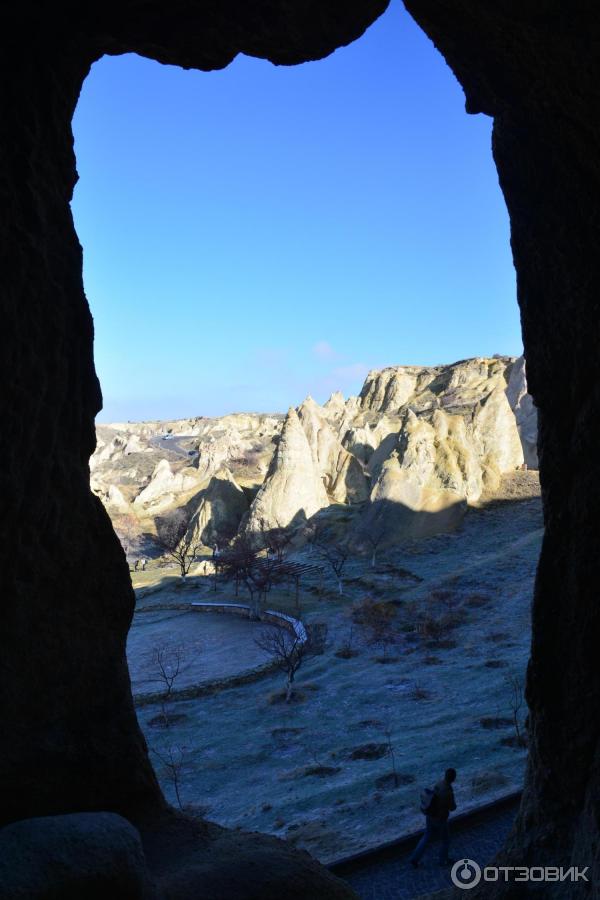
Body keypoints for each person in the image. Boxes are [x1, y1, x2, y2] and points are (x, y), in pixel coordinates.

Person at [410, 768, 457, 868]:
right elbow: (452, 807)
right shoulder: (448, 791)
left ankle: (414, 858)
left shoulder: (438, 784)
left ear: (445, 776)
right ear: (453, 778)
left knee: (426, 837)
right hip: (440, 819)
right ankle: (443, 860)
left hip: (430, 815)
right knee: (445, 840)